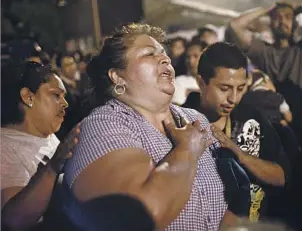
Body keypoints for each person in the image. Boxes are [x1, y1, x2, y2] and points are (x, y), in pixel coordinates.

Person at [61, 23, 250, 231]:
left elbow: (231, 199)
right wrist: (187, 150)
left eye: (164, 53)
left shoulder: (195, 119)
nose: (166, 59)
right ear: (117, 76)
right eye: (150, 54)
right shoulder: (102, 126)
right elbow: (140, 216)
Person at [183, 42, 290, 222]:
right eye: (224, 89)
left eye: (240, 89)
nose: (233, 98)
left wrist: (240, 155)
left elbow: (281, 177)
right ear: (201, 82)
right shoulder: (180, 121)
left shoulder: (252, 118)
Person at [226, 2, 302, 154]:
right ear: (270, 22)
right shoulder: (264, 51)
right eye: (277, 17)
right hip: (273, 128)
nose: (282, 21)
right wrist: (266, 9)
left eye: (287, 17)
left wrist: (297, 7)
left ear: (295, 22)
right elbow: (235, 25)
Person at [1, 61, 79, 230]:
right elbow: (14, 221)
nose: (65, 103)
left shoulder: (48, 136)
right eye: (56, 95)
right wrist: (51, 169)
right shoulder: (5, 147)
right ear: (28, 97)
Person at [172, 40, 208, 105]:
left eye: (196, 56)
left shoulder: (214, 81)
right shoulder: (179, 81)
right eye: (188, 57)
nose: (191, 61)